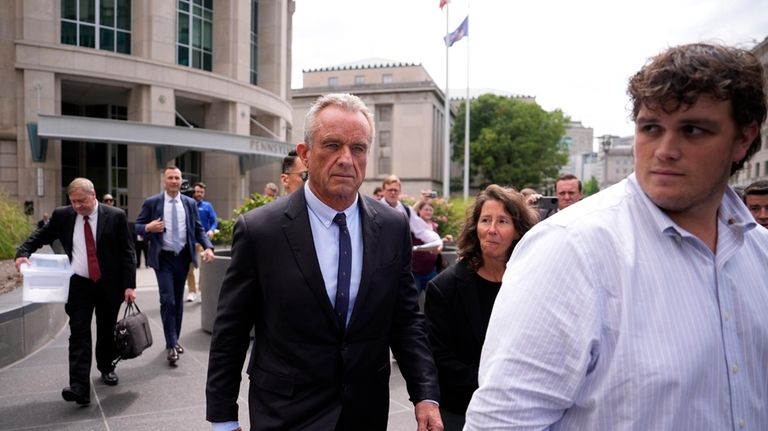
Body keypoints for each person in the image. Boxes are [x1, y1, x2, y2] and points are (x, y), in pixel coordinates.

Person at [464, 43, 768, 430]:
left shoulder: (758, 253)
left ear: (743, 138)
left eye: (693, 130)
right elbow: (501, 422)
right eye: (651, 128)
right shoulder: (570, 248)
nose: (665, 150)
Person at [205, 93, 442, 430]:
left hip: (365, 412)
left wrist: (425, 394)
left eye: (358, 148)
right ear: (305, 153)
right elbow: (231, 331)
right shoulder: (261, 230)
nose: (346, 159)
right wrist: (223, 419)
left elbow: (405, 319)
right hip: (286, 413)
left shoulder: (392, 226)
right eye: (332, 145)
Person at [15, 177, 136, 405]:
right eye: (73, 202)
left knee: (105, 328)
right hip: (79, 283)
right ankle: (79, 386)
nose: (78, 206)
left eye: (82, 201)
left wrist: (130, 285)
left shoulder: (115, 216)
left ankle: (106, 366)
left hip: (109, 284)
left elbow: (127, 252)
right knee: (79, 331)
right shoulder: (63, 215)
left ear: (93, 196)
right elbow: (40, 236)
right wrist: (23, 252)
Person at [426, 185, 536, 430]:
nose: (492, 230)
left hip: (522, 409)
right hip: (463, 410)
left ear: (518, 231)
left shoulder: (532, 282)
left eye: (503, 221)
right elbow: (439, 358)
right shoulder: (445, 287)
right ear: (475, 227)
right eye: (486, 220)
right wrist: (494, 381)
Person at [134, 166, 214, 366]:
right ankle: (171, 344)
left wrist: (209, 247)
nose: (174, 181)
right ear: (164, 181)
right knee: (167, 300)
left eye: (177, 178)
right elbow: (136, 226)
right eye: (170, 178)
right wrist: (147, 228)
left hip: (182, 258)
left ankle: (174, 340)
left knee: (177, 302)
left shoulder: (189, 203)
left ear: (181, 181)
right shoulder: (152, 202)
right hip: (163, 259)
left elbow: (197, 228)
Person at [379, 175, 443, 251]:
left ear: (400, 191)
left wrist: (437, 241)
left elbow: (421, 230)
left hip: (400, 257)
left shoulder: (406, 210)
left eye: (395, 190)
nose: (393, 193)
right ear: (383, 191)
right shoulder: (375, 209)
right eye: (390, 190)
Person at [185, 181, 218, 302]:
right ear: (193, 192)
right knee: (189, 268)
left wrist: (212, 230)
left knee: (205, 267)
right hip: (190, 241)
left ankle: (202, 291)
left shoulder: (207, 206)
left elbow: (214, 221)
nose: (199, 194)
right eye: (197, 191)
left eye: (201, 192)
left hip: (204, 242)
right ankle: (192, 291)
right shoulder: (188, 204)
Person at [411, 200, 451, 294]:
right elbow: (410, 213)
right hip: (416, 272)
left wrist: (443, 242)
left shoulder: (433, 226)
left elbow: (436, 242)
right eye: (426, 209)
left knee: (436, 299)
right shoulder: (414, 225)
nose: (428, 212)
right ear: (419, 211)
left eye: (430, 210)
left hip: (431, 270)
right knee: (413, 301)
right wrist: (422, 198)